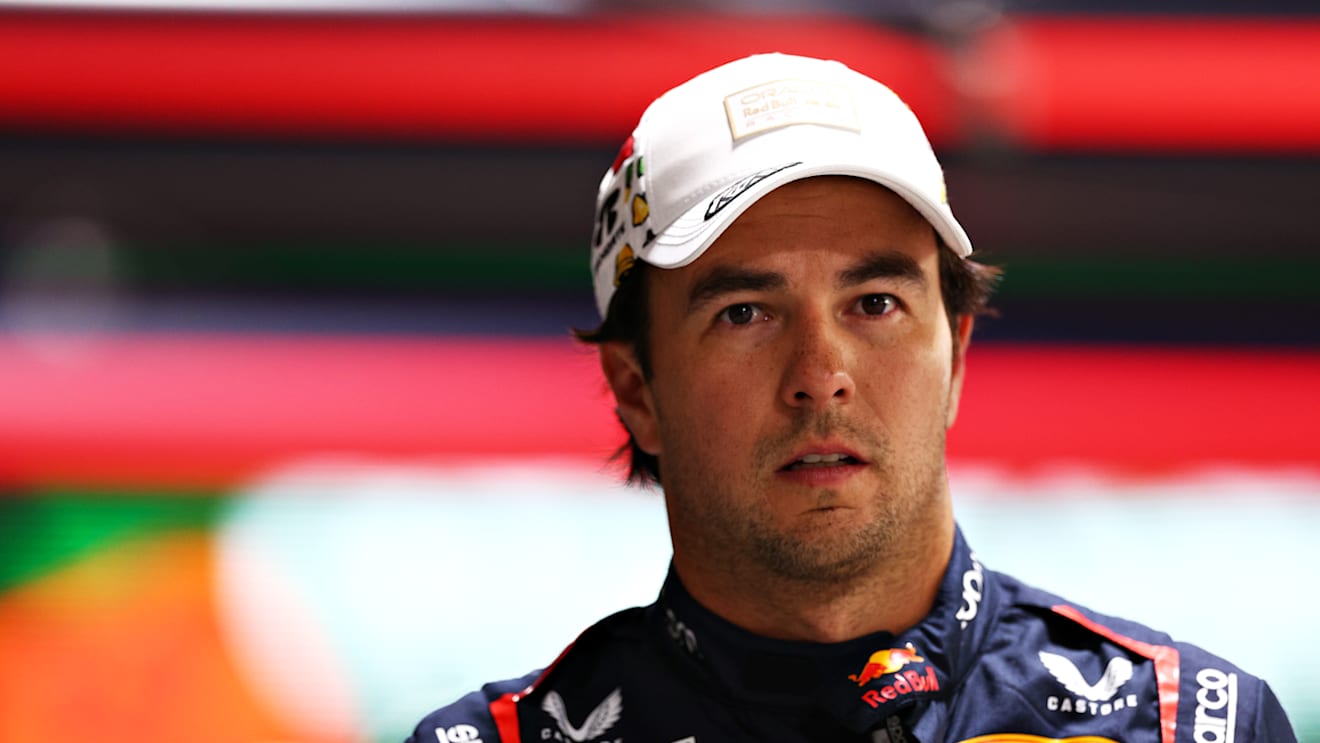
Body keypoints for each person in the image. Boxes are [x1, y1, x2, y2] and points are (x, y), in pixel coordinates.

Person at [407, 53, 1295, 743]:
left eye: (875, 304)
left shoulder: (1190, 723)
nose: (819, 372)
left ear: (955, 357)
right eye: (746, 313)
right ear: (636, 388)